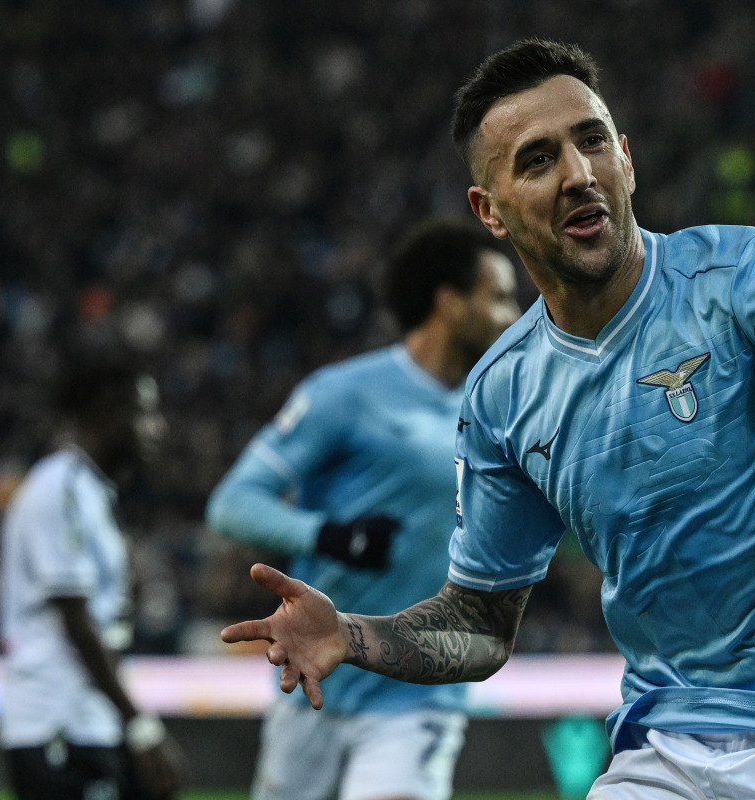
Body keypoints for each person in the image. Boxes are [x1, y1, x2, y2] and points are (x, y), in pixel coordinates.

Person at [222, 39, 755, 800]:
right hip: (676, 741)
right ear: (490, 210)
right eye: (538, 159)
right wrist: (351, 636)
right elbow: (479, 622)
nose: (578, 173)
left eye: (592, 141)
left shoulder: (746, 273)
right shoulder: (504, 394)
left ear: (627, 158)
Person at [206, 217, 520, 800]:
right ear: (449, 303)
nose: (514, 316)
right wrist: (330, 537)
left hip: (422, 689)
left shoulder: (505, 412)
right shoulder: (345, 394)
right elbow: (233, 504)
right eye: (499, 297)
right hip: (314, 675)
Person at [0, 359, 186, 800]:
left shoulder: (91, 491)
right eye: (144, 412)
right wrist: (140, 727)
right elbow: (77, 624)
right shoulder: (59, 489)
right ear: (105, 413)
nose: (156, 428)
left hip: (88, 719)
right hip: (56, 724)